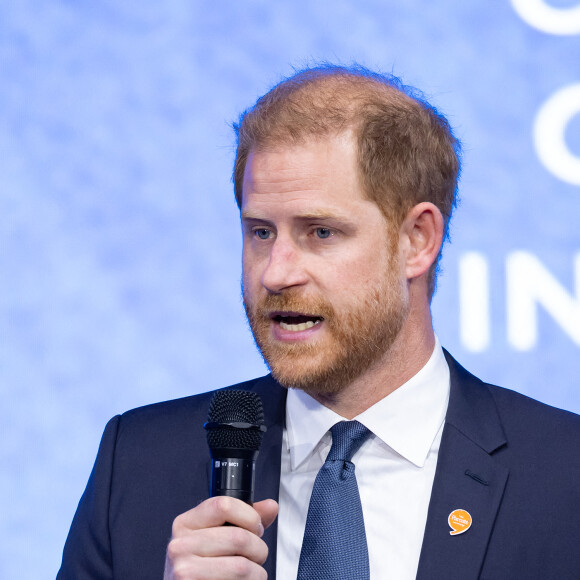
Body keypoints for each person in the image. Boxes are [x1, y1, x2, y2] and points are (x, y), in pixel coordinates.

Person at [57, 65, 580, 580]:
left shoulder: (562, 473)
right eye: (261, 232)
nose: (276, 272)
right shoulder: (139, 465)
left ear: (417, 240)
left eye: (320, 233)